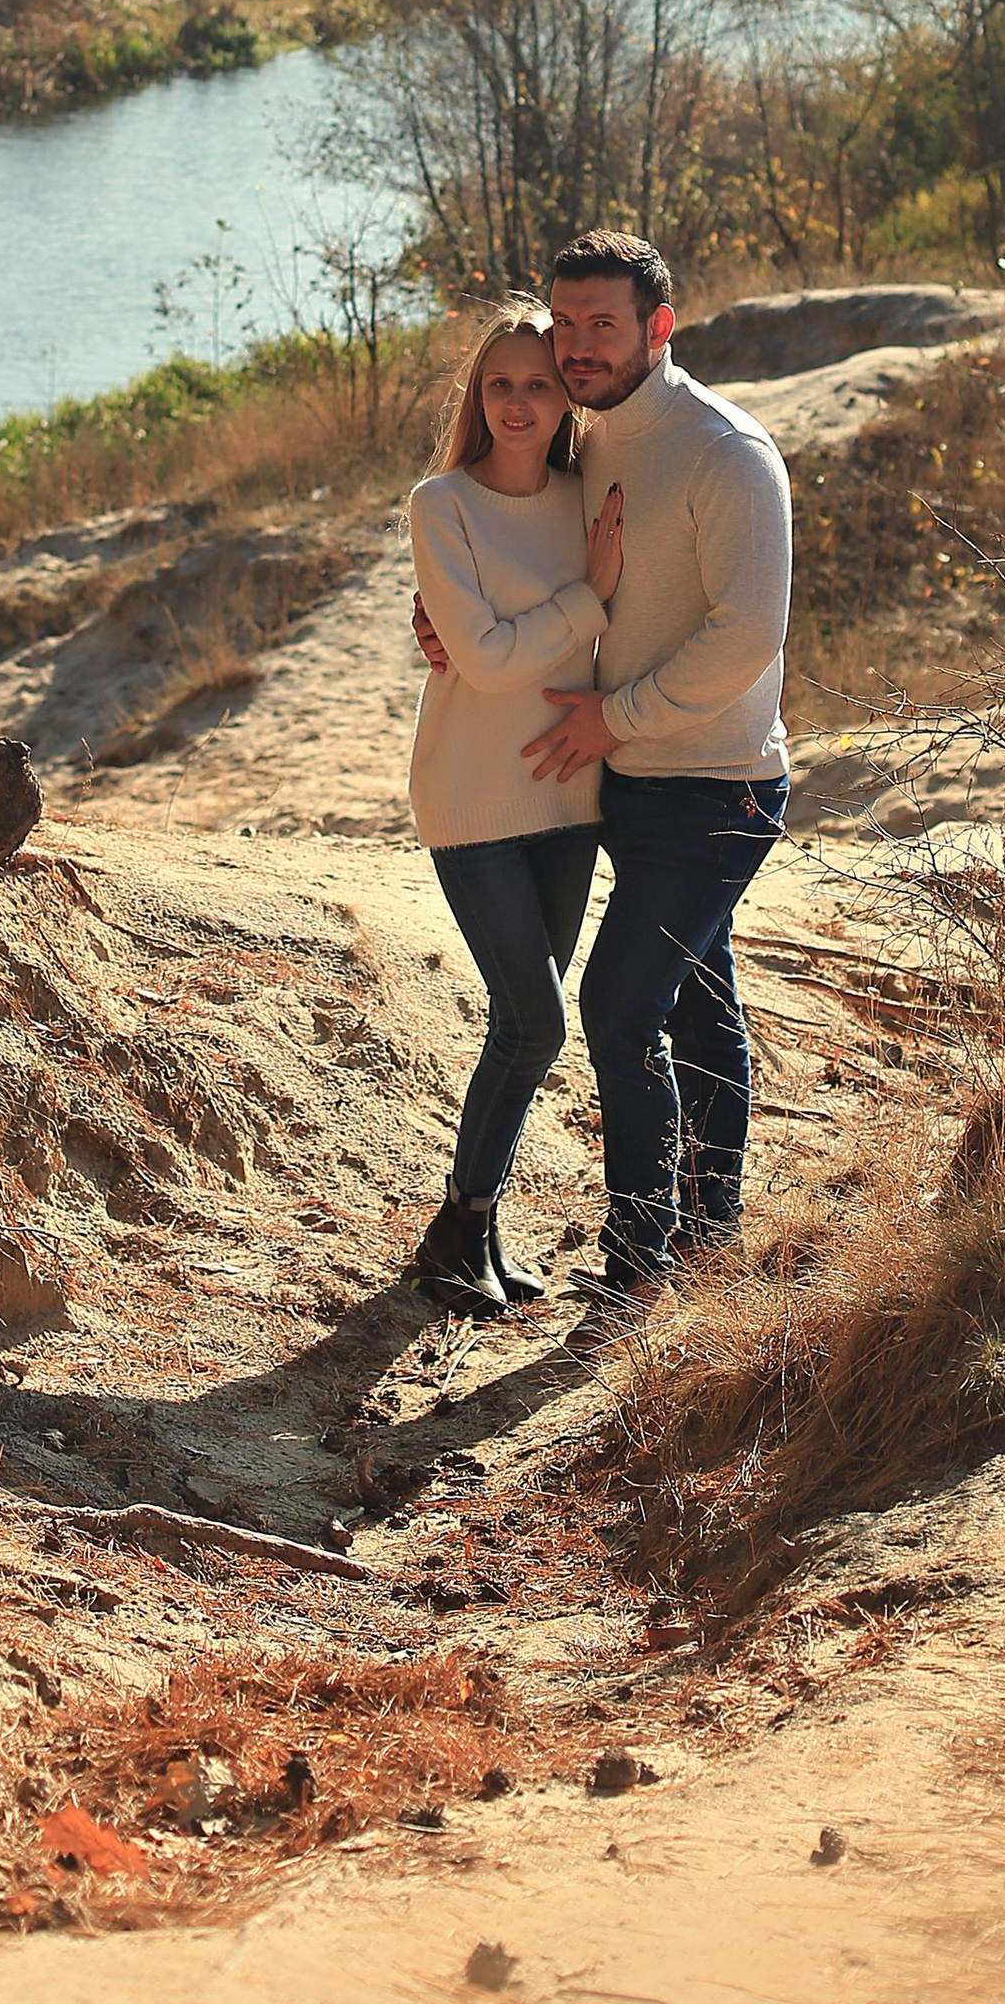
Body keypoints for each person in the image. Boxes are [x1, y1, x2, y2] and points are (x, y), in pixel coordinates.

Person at [415, 230, 792, 1349]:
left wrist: (612, 718)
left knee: (616, 1012)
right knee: (697, 1003)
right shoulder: (590, 450)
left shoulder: (726, 453)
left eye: (601, 327)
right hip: (614, 786)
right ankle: (711, 1231)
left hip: (713, 786)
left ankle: (638, 1264)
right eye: (564, 324)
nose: (577, 348)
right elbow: (515, 561)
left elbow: (747, 636)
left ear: (657, 328)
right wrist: (438, 622)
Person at [401, 301, 625, 1318]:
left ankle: (469, 1226)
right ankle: (459, 1225)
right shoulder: (439, 504)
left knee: (515, 1025)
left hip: (569, 797)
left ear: (565, 395)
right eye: (501, 384)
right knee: (537, 1020)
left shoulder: (590, 500)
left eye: (541, 383)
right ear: (477, 397)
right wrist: (587, 599)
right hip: (470, 797)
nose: (521, 402)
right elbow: (485, 664)